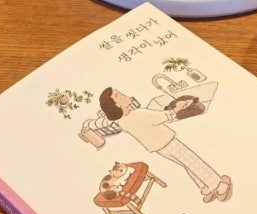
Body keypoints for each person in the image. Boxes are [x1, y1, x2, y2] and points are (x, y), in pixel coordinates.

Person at [98, 87, 232, 204]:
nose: (123, 94)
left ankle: (205, 187)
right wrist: (176, 109)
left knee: (186, 164)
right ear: (116, 105)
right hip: (167, 141)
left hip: (159, 147)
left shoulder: (122, 121)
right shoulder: (137, 114)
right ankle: (217, 184)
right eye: (118, 95)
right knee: (193, 161)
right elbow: (159, 117)